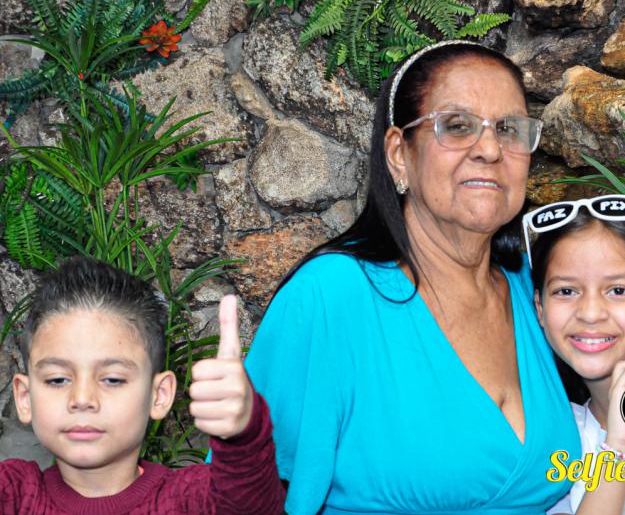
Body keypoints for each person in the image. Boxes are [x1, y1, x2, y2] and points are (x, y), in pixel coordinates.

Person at [242, 40, 582, 514]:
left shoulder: (539, 292)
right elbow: (245, 493)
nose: (490, 149)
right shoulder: (330, 297)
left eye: (509, 129)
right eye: (457, 126)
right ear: (399, 153)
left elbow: (606, 442)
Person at [0, 256, 285, 515]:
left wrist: (243, 436)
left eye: (112, 379)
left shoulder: (193, 500)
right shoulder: (14, 494)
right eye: (58, 379)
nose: (82, 398)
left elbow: (250, 504)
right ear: (25, 398)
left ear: (158, 395)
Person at [525, 196, 625, 514]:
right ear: (540, 309)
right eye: (566, 291)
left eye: (618, 290)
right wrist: (617, 447)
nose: (591, 313)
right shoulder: (554, 437)